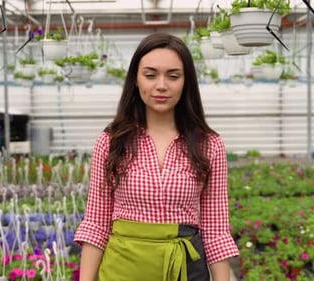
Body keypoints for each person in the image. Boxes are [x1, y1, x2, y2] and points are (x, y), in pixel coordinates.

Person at [74, 32, 239, 281]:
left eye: (173, 76)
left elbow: (216, 230)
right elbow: (96, 223)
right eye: (150, 75)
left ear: (186, 82)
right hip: (123, 270)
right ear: (136, 80)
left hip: (185, 270)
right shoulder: (111, 142)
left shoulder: (209, 144)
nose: (161, 85)